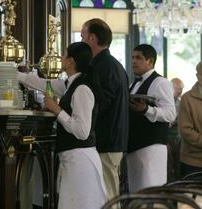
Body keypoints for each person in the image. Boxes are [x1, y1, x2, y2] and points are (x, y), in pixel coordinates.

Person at [18, 42, 107, 209]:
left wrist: (57, 110)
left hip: (81, 159)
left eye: (64, 55)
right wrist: (13, 74)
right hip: (73, 158)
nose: (62, 58)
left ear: (71, 61)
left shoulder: (82, 89)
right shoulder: (70, 84)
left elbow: (82, 131)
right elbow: (42, 83)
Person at [80, 18, 129, 202]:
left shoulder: (104, 66)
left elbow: (100, 103)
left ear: (92, 38)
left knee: (108, 195)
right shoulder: (109, 64)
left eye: (82, 36)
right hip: (110, 140)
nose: (81, 40)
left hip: (107, 140)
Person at [127, 44, 176, 191]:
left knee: (151, 193)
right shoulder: (134, 83)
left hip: (152, 147)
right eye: (133, 57)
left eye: (139, 58)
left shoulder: (161, 82)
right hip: (135, 147)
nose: (134, 61)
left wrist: (146, 110)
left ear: (150, 61)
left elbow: (170, 113)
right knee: (137, 195)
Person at [167, 78, 184, 181]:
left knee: (178, 164)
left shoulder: (181, 103)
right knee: (168, 165)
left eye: (182, 89)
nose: (180, 91)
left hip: (179, 137)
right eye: (178, 89)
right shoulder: (165, 101)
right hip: (166, 137)